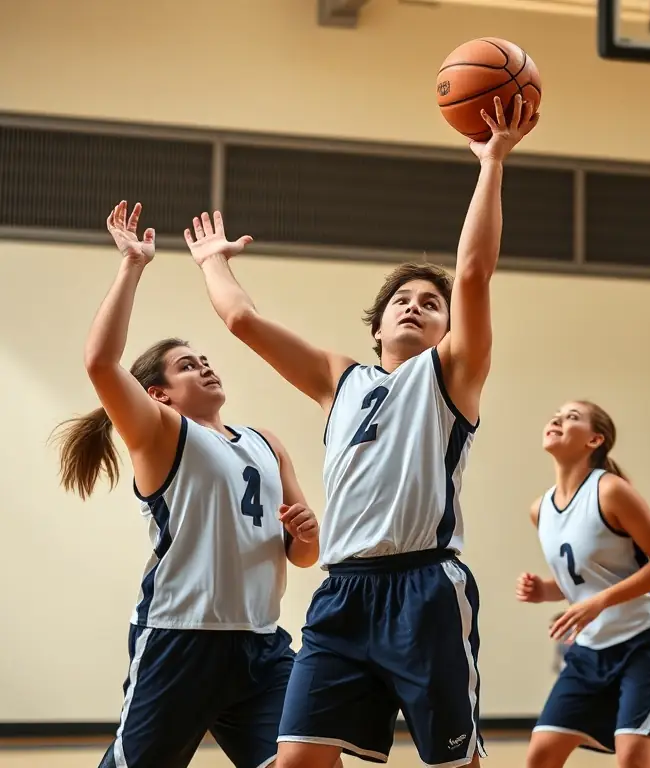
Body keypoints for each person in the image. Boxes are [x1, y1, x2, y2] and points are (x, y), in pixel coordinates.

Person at [183, 95, 539, 768]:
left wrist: (491, 162)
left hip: (426, 589)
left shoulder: (453, 374)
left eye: (430, 305)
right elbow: (243, 322)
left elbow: (474, 271)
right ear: (377, 327)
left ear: (446, 329)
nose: (415, 306)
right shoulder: (338, 378)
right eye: (401, 301)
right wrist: (212, 261)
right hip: (343, 594)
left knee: (452, 763)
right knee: (297, 760)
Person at [52, 201, 322, 768]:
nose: (203, 365)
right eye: (185, 364)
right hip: (182, 639)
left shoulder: (266, 442)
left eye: (204, 357)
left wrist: (304, 533)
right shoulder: (162, 435)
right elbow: (101, 362)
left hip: (261, 644)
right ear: (159, 395)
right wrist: (132, 266)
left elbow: (303, 556)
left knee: (307, 761)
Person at [516, 400, 650, 768]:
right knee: (540, 756)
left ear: (595, 440)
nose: (557, 419)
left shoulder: (610, 491)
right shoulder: (540, 509)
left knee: (632, 759)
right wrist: (543, 591)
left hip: (647, 637)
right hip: (592, 647)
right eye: (556, 414)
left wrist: (599, 603)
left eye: (572, 417)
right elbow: (582, 581)